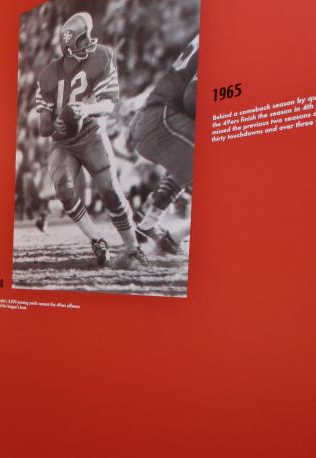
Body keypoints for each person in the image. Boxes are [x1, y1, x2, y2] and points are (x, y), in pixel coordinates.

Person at [33, 12, 147, 269]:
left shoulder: (103, 56)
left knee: (110, 190)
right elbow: (42, 126)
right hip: (63, 140)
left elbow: (108, 104)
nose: (89, 43)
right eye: (82, 40)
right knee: (63, 189)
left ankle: (133, 249)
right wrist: (55, 125)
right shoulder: (49, 74)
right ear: (68, 46)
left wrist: (86, 110)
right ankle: (97, 239)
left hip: (91, 131)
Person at [129, 35, 199, 254]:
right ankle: (174, 238)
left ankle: (148, 223)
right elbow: (192, 97)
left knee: (187, 165)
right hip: (161, 120)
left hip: (152, 121)